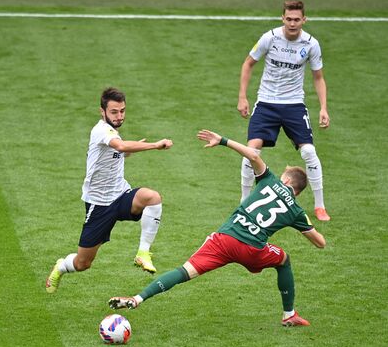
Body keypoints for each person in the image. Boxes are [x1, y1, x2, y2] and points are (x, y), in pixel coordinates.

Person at [109, 129, 326, 327]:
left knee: (184, 272)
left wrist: (222, 140)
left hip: (224, 239)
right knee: (284, 260)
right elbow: (320, 243)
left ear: (286, 179)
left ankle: (137, 298)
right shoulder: (297, 211)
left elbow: (253, 156)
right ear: (297, 191)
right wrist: (302, 223)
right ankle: (289, 314)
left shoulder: (269, 180)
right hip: (253, 249)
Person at [45, 87, 173, 293]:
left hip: (121, 195)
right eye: (114, 112)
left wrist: (128, 150)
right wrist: (155, 145)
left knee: (153, 198)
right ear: (102, 111)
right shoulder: (101, 130)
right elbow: (120, 147)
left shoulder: (114, 133)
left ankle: (143, 252)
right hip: (99, 205)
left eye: (122, 111)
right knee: (82, 263)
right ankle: (61, 266)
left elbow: (119, 152)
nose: (119, 116)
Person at [237, 0, 331, 221]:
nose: (292, 23)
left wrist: (324, 108)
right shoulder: (269, 38)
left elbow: (318, 77)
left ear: (304, 20)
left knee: (309, 152)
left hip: (294, 105)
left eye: (296, 19)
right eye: (288, 19)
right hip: (266, 103)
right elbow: (248, 63)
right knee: (251, 152)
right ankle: (244, 202)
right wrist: (242, 96)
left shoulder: (311, 44)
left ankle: (320, 206)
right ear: (283, 18)